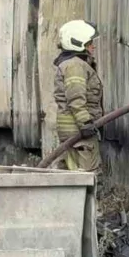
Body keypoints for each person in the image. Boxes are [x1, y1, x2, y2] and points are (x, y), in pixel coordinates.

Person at [54, 20, 104, 173]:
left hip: (73, 129)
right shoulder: (75, 66)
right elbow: (76, 98)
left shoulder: (74, 64)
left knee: (70, 175)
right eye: (89, 43)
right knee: (86, 175)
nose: (93, 46)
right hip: (78, 130)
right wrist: (85, 123)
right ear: (77, 43)